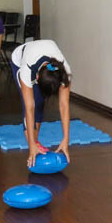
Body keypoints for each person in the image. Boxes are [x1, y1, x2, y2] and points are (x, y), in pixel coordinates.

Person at [11, 39, 72, 167]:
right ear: (37, 77)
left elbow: (64, 106)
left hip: (42, 62)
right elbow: (29, 107)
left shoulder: (64, 71)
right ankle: (33, 148)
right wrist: (31, 145)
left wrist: (66, 139)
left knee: (39, 102)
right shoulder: (26, 68)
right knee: (33, 102)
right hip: (19, 60)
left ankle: (35, 142)